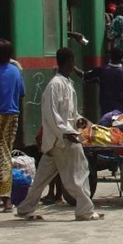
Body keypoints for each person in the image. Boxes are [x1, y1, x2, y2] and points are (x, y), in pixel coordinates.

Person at [16, 48, 103, 221]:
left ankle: (26, 208)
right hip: (61, 141)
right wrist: (68, 132)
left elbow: (69, 113)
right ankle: (85, 210)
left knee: (41, 178)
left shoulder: (67, 84)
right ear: (70, 61)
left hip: (57, 141)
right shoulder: (54, 86)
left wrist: (79, 121)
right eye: (72, 61)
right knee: (79, 173)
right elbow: (51, 116)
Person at [0, 39, 25, 212]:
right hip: (12, 115)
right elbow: (22, 92)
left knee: (2, 155)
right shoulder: (15, 71)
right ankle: (4, 197)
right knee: (5, 150)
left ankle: (6, 197)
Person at [82, 46, 123, 116]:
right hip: (119, 111)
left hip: (105, 110)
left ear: (110, 57)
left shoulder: (101, 70)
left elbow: (85, 77)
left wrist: (74, 68)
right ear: (122, 58)